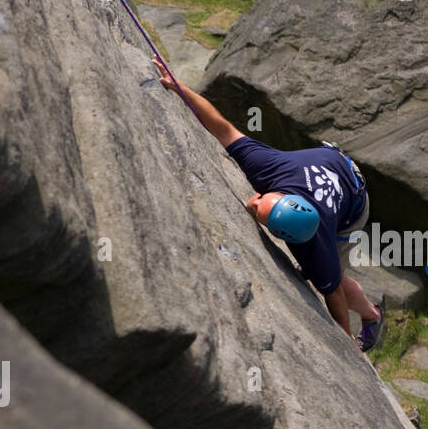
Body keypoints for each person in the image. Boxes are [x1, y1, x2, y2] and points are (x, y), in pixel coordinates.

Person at [154, 61, 383, 352]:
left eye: (257, 207)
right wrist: (179, 87)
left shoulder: (316, 243)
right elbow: (223, 128)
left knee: (331, 272)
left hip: (353, 204)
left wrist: (346, 340)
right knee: (324, 270)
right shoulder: (270, 168)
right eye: (262, 199)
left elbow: (334, 291)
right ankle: (368, 311)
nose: (253, 200)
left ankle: (371, 315)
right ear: (280, 192)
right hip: (336, 165)